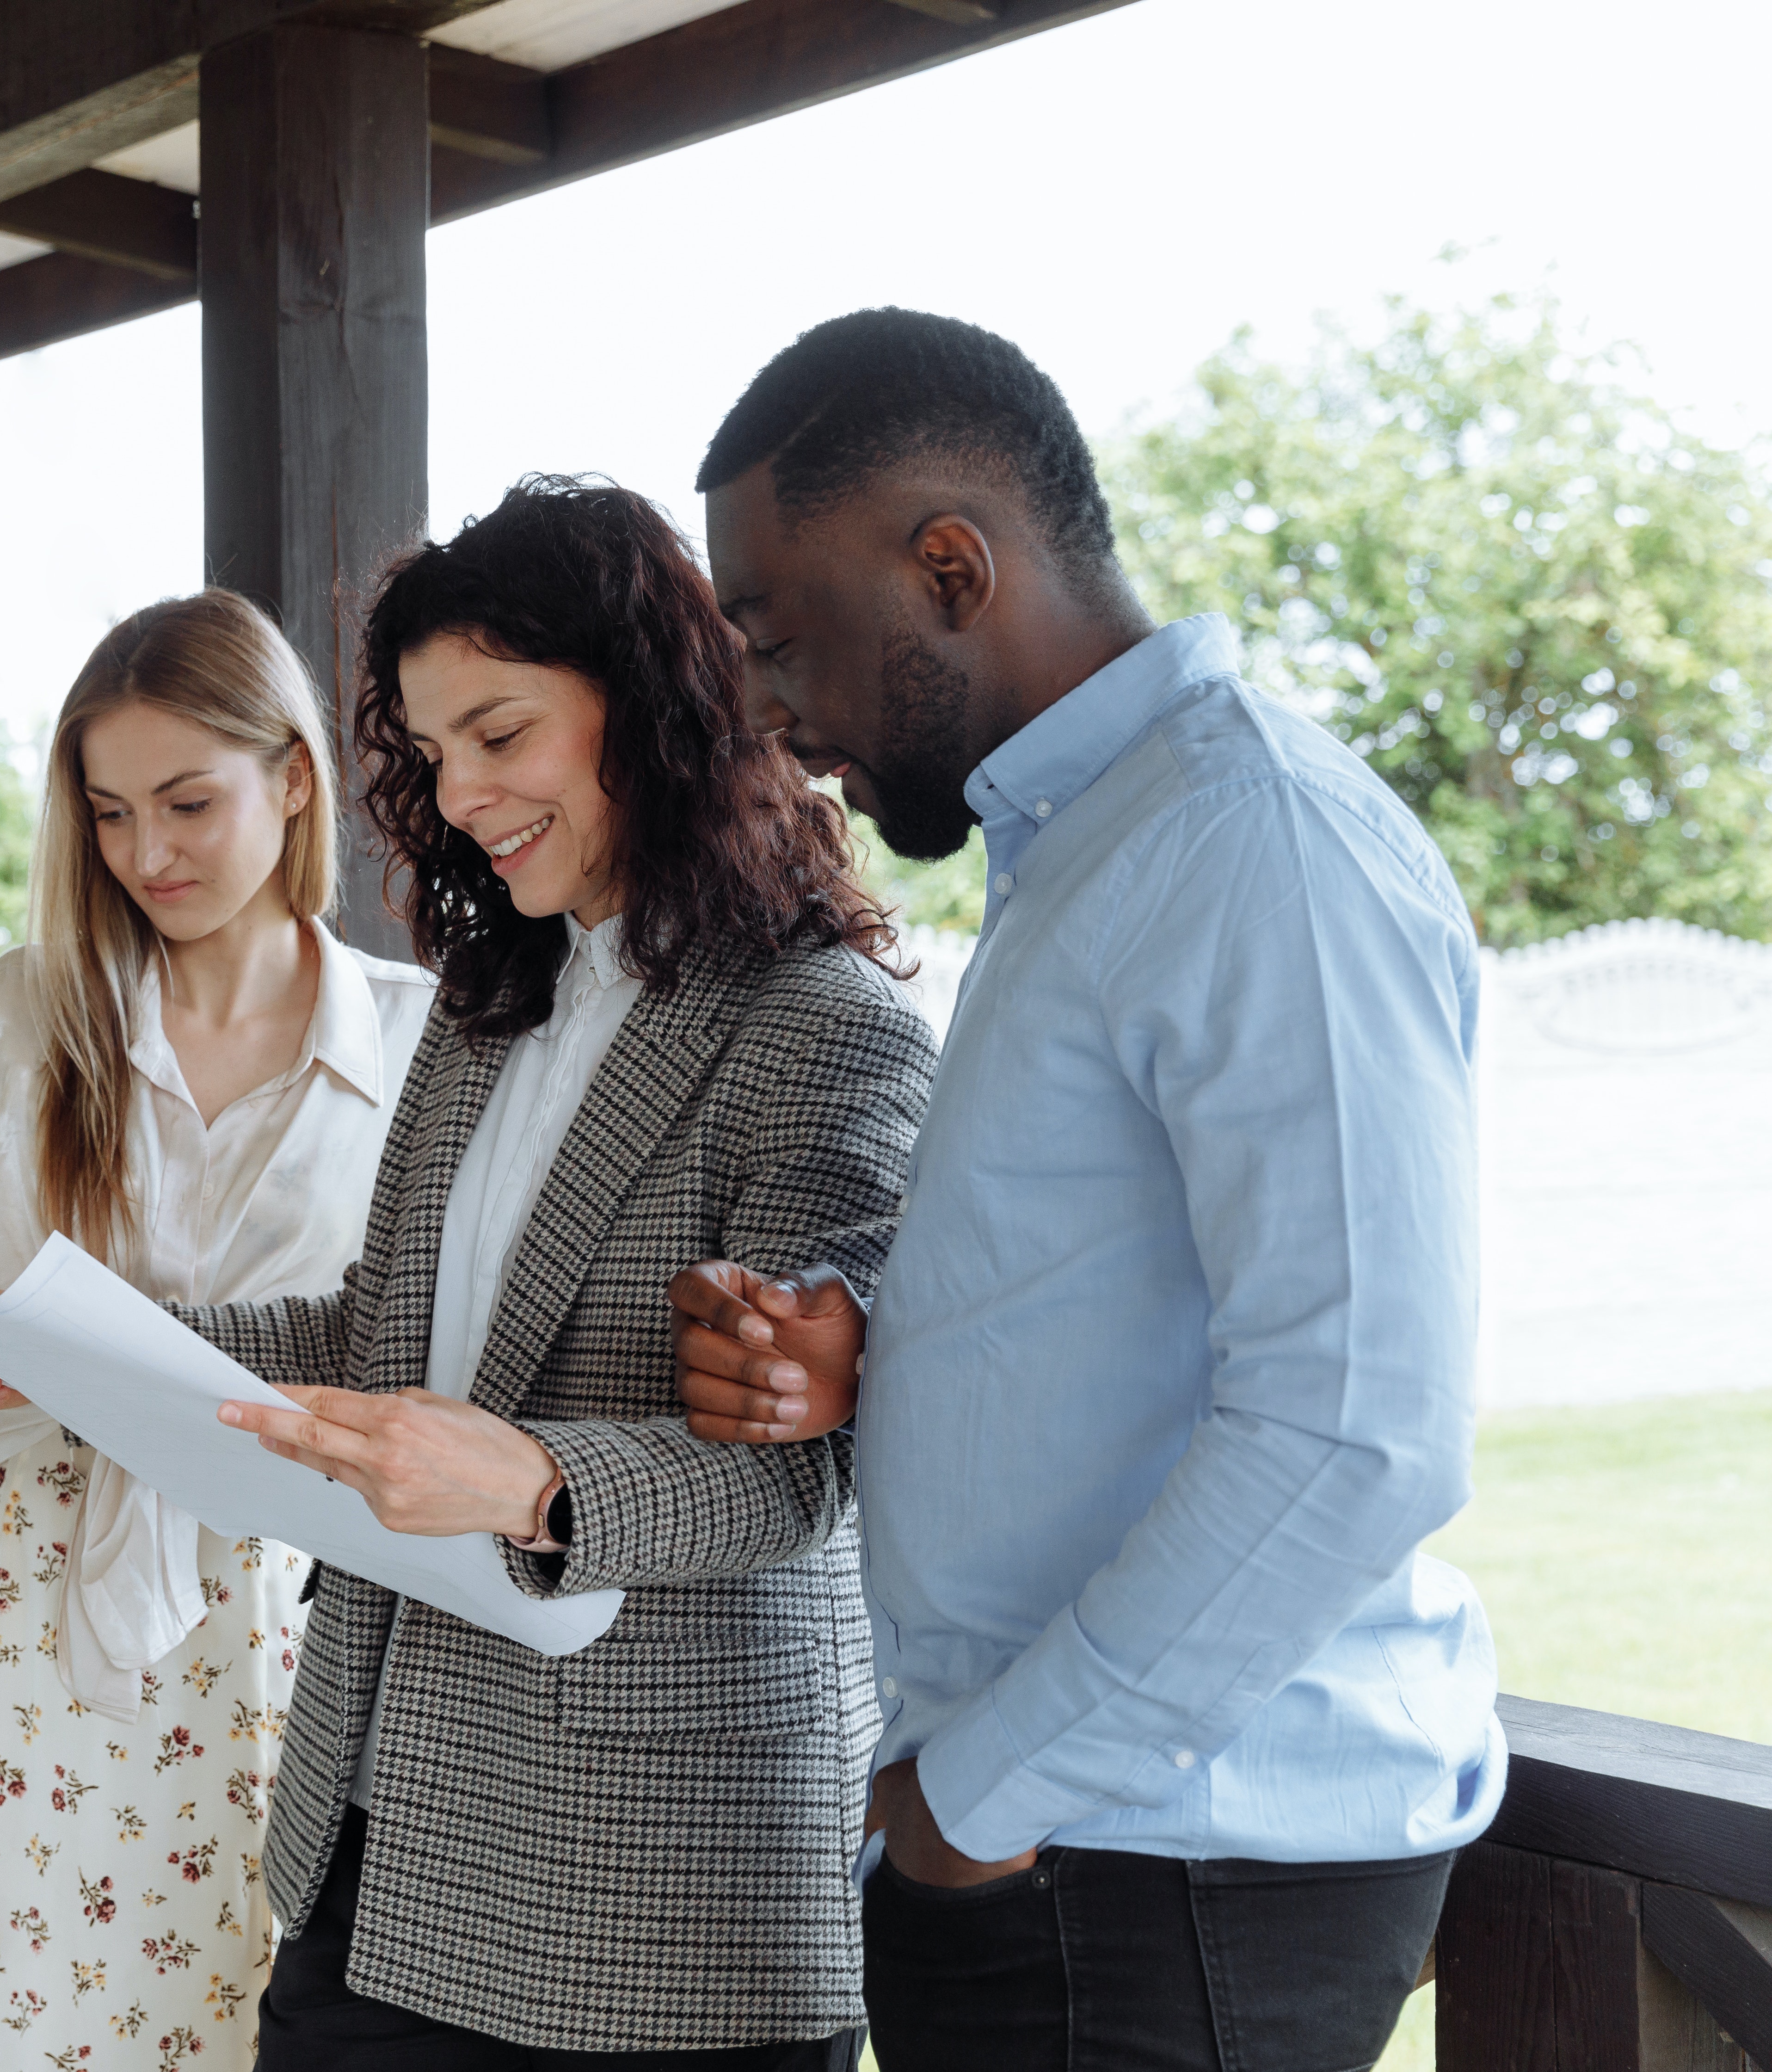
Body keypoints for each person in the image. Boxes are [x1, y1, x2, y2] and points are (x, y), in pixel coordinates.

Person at [673, 308, 1501, 2072]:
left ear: (951, 568)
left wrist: (984, 1795)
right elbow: (1124, 1294)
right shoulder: (1093, 845)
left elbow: (1360, 1420)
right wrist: (888, 1350)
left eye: (775, 637)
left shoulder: (1248, 840)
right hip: (1085, 1861)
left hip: (1159, 1876)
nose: (769, 712)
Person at [161, 478, 937, 2067]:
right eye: (436, 755)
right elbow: (385, 1336)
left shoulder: (827, 1028)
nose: (460, 796)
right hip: (379, 1840)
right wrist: (84, 1340)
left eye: (501, 735)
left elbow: (822, 1466)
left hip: (664, 1899)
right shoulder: (485, 1011)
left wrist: (534, 1485)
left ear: (650, 709)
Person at [0, 590, 437, 2072]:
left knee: (277, 2032)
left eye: (186, 803)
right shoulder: (23, 1017)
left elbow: (439, 1354)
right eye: (107, 813)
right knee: (32, 2033)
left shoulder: (430, 1039)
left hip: (302, 1617)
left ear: (294, 780)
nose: (145, 855)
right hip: (19, 1620)